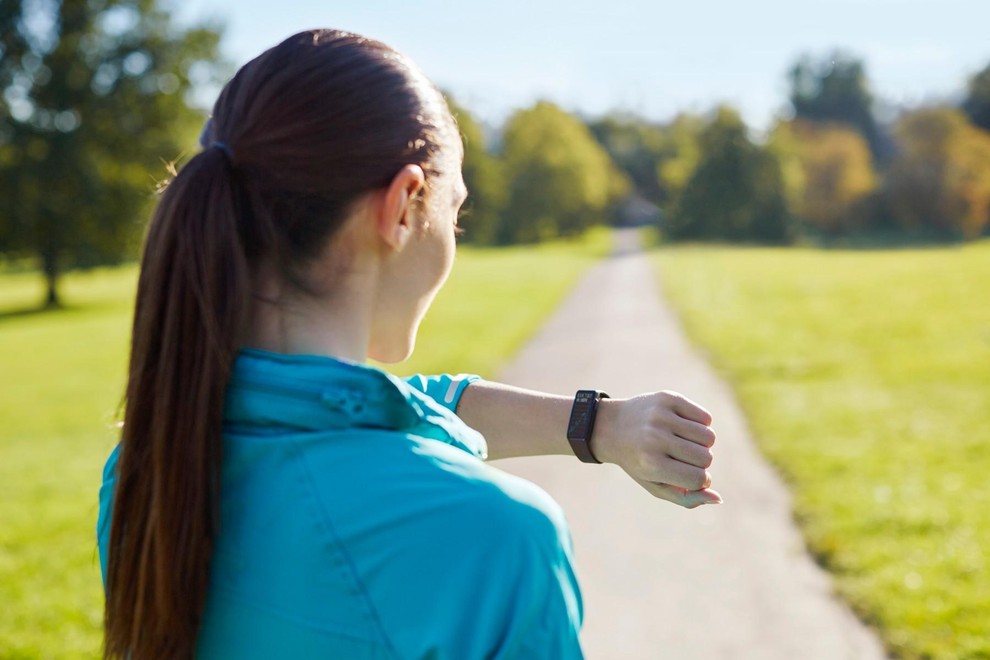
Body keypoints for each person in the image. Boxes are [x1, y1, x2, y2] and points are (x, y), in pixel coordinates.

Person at [97, 29, 721, 659]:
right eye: (455, 212)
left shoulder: (142, 475)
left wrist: (601, 425)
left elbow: (388, 409)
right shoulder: (496, 540)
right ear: (402, 207)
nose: (453, 238)